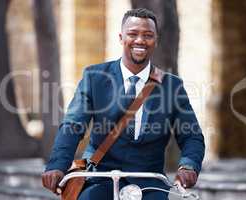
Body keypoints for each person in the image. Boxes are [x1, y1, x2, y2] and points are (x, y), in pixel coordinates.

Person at [42, 8, 205, 200]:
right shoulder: (94, 77)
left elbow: (192, 135)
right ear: (121, 37)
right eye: (133, 34)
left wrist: (188, 165)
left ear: (156, 40)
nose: (140, 40)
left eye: (148, 35)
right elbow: (72, 126)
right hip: (100, 178)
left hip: (150, 183)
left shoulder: (172, 85)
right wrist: (57, 165)